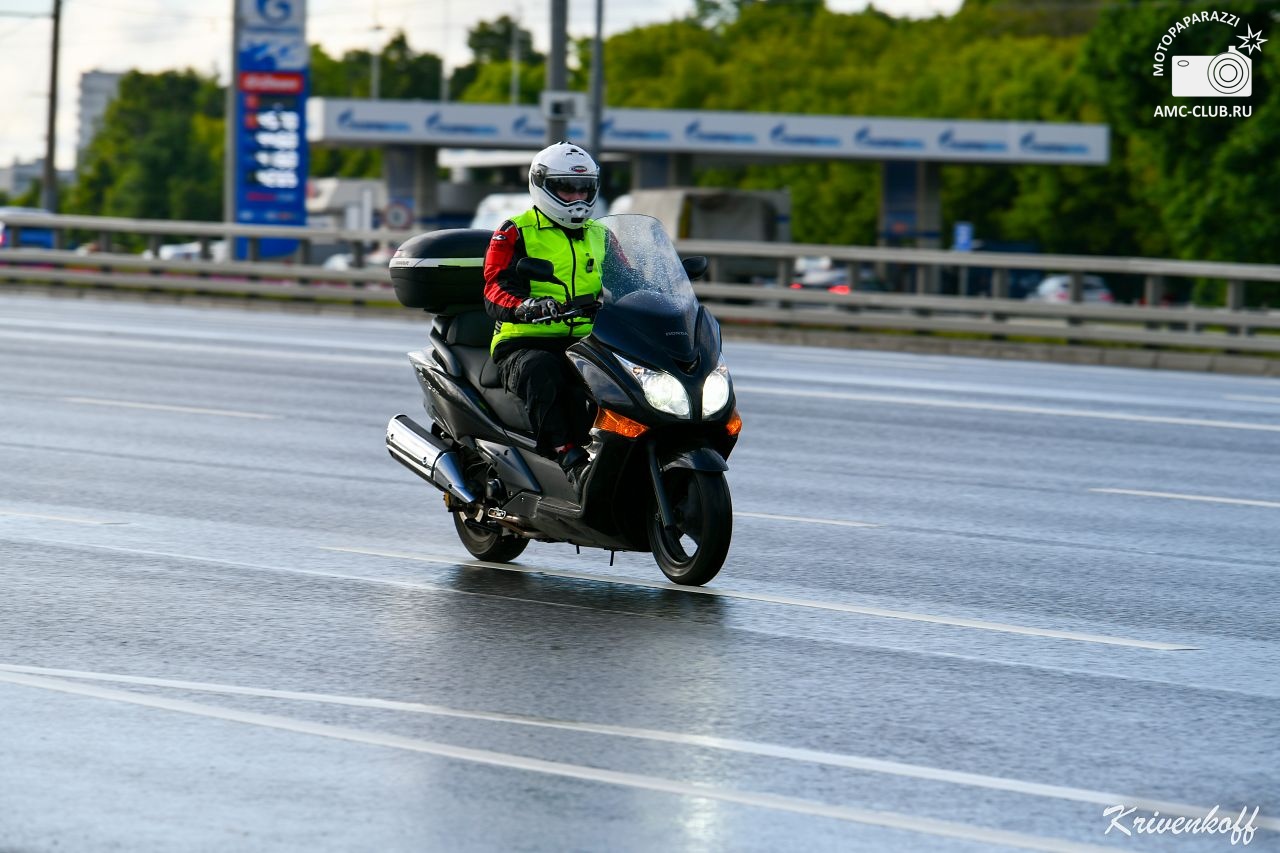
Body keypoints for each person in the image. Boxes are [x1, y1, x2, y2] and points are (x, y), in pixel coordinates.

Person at [482, 142, 606, 477]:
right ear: (542, 185)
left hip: (588, 341)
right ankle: (564, 453)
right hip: (525, 340)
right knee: (542, 368)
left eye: (584, 189)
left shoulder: (601, 235)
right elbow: (494, 287)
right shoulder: (515, 231)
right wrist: (526, 307)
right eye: (567, 188)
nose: (577, 197)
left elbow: (630, 278)